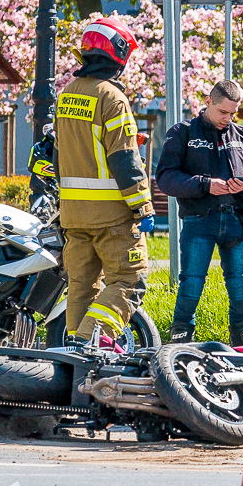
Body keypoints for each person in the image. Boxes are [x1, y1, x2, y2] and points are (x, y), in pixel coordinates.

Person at [53, 18, 154, 351]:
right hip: (111, 217)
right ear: (119, 55)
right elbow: (124, 159)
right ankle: (88, 343)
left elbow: (65, 152)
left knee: (81, 286)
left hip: (73, 216)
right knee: (129, 279)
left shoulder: (68, 94)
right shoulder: (112, 98)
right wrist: (143, 206)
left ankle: (72, 354)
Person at [155, 79, 243, 346]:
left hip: (235, 220)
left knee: (240, 285)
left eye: (233, 113)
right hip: (198, 221)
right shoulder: (182, 132)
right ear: (208, 102)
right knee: (191, 282)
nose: (227, 119)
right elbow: (166, 178)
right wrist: (205, 184)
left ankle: (242, 343)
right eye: (223, 112)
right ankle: (180, 341)